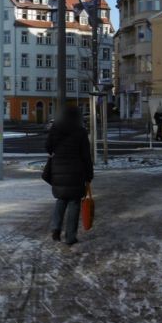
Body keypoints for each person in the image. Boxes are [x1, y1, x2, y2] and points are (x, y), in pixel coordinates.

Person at [45, 105, 94, 246]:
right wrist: (89, 175)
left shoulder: (55, 128)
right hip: (76, 171)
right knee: (74, 202)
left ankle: (55, 228)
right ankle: (70, 237)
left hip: (58, 169)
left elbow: (48, 147)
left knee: (61, 199)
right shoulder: (80, 131)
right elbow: (86, 156)